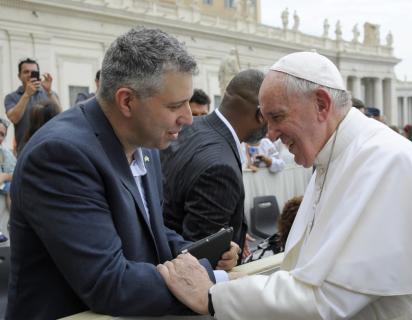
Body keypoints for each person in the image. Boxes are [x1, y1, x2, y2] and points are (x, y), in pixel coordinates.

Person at [158, 52, 412, 319]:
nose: (270, 134)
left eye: (277, 117)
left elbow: (324, 297)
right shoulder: (336, 155)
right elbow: (305, 269)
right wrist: (226, 280)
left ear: (322, 105)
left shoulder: (383, 163)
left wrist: (215, 296)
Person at [7, 27, 239, 320]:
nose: (189, 119)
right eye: (175, 105)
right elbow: (108, 282)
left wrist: (203, 253)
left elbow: (151, 231)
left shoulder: (145, 142)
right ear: (127, 101)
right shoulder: (60, 155)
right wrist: (209, 281)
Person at [161, 69, 266, 255]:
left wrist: (236, 231)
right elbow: (203, 253)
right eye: (274, 116)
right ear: (261, 115)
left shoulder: (189, 128)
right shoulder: (221, 168)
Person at [4, 58, 60, 154]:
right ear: (19, 76)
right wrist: (26, 94)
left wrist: (49, 92)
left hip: (49, 148)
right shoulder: (11, 97)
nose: (30, 75)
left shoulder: (48, 93)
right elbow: (14, 118)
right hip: (25, 150)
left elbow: (60, 115)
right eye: (26, 72)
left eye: (33, 72)